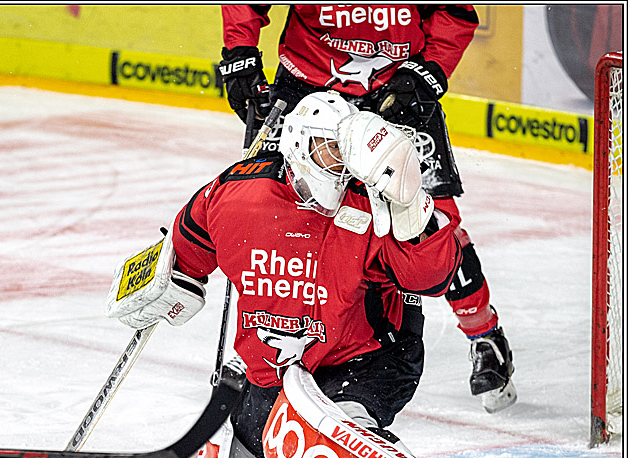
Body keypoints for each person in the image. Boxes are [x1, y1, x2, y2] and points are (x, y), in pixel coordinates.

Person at [106, 92, 484, 458]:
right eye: (331, 151)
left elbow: (430, 278)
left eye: (348, 153)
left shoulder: (371, 205)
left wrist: (412, 209)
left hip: (368, 354)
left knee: (335, 431)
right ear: (301, 147)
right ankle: (272, 436)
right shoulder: (234, 194)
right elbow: (187, 248)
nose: (343, 166)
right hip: (276, 368)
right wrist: (162, 280)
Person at [217, 4, 516, 413]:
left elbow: (453, 11)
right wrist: (239, 52)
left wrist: (428, 70)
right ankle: (260, 341)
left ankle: (483, 334)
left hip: (397, 87)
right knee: (275, 211)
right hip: (306, 88)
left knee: (429, 222)